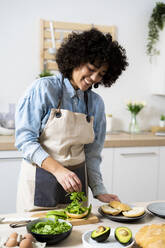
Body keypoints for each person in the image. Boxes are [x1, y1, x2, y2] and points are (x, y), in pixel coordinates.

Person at [15, 28, 128, 212]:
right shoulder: (44, 89)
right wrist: (59, 170)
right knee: (40, 237)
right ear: (77, 59)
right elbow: (24, 140)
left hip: (76, 188)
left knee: (76, 237)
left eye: (101, 74)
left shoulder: (96, 104)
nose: (94, 78)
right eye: (91, 69)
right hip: (39, 183)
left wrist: (98, 190)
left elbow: (92, 154)